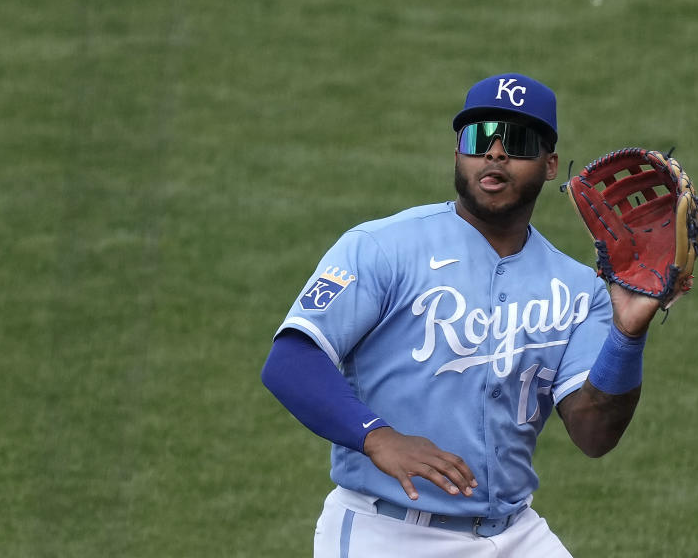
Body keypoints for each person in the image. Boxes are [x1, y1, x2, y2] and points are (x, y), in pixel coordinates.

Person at [262, 73, 663, 557]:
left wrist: (627, 336)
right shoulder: (381, 248)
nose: (494, 153)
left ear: (550, 163)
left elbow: (595, 434)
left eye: (516, 141)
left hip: (515, 535)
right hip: (387, 534)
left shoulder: (579, 288)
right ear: (458, 153)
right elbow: (290, 360)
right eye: (478, 138)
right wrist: (378, 437)